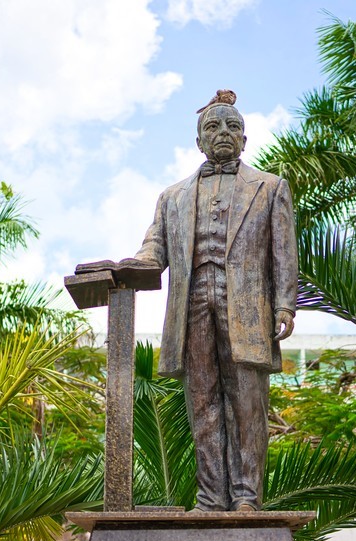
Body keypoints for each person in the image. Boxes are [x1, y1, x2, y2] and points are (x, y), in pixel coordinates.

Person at [124, 91, 298, 512]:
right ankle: (210, 497)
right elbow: (155, 248)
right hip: (192, 304)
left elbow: (284, 252)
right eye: (213, 127)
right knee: (201, 403)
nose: (223, 133)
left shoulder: (270, 188)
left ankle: (246, 497)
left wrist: (284, 305)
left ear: (244, 138)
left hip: (247, 307)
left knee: (246, 405)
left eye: (232, 126)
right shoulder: (173, 197)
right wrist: (131, 266)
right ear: (199, 141)